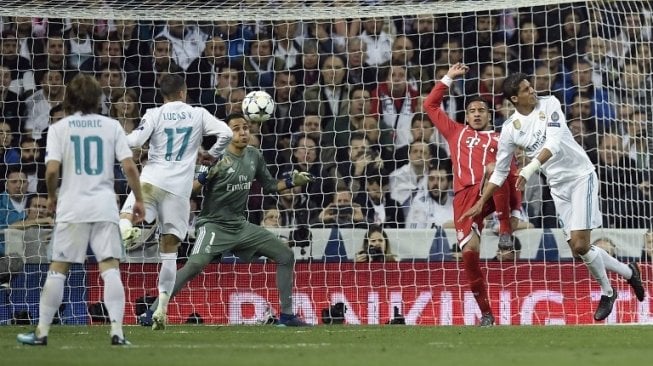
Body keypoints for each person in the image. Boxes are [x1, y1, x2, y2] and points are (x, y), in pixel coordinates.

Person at [461, 71, 646, 322]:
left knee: (581, 244)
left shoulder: (550, 103)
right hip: (558, 187)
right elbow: (501, 170)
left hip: (581, 176)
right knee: (577, 249)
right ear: (515, 99)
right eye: (526, 90)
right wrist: (483, 200)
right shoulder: (510, 129)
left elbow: (555, 142)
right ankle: (628, 271)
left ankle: (608, 291)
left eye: (531, 86)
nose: (533, 90)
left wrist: (528, 168)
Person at [141, 113, 314, 327]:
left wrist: (291, 181)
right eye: (236, 128)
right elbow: (189, 191)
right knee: (194, 265)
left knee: (286, 255)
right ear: (227, 133)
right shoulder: (215, 157)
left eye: (246, 128)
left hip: (240, 225)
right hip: (214, 225)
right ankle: (152, 311)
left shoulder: (254, 155)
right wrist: (206, 175)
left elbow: (270, 185)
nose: (243, 132)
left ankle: (287, 316)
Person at [16, 74, 145, 346]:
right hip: (103, 205)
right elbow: (130, 167)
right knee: (110, 267)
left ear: (70, 98)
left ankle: (41, 333)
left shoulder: (59, 128)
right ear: (98, 99)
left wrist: (52, 196)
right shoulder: (111, 126)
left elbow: (51, 171)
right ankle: (118, 332)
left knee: (58, 268)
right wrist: (140, 199)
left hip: (72, 206)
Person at [119, 73, 233, 331]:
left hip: (153, 179)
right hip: (179, 192)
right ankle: (160, 309)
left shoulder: (154, 114)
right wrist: (211, 156)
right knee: (169, 254)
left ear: (163, 95)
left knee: (127, 213)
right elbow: (226, 133)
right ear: (184, 92)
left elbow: (134, 141)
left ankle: (127, 229)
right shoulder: (198, 114)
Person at [422, 62, 522, 327]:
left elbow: (512, 175)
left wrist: (515, 212)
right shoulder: (456, 132)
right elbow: (430, 106)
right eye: (472, 111)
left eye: (482, 111)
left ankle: (503, 232)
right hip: (464, 198)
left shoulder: (501, 139)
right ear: (466, 116)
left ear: (489, 116)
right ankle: (487, 313)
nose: (477, 114)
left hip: (491, 195)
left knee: (495, 169)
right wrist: (448, 78)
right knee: (470, 256)